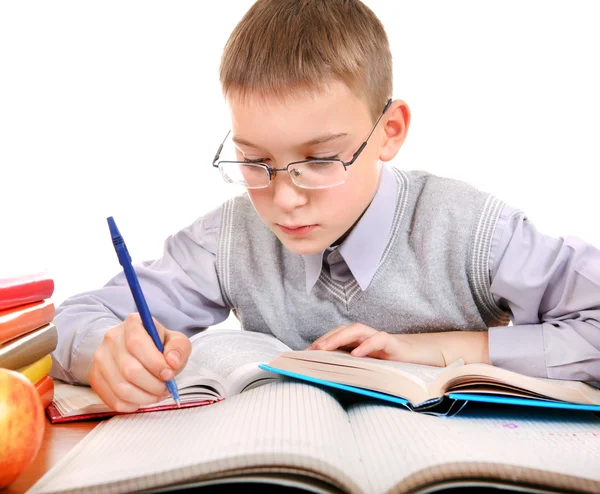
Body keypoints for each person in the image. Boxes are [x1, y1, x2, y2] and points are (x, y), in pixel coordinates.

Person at [51, 0, 600, 412]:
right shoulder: (229, 239)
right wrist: (110, 350)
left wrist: (438, 348)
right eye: (255, 161)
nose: (285, 200)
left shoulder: (472, 230)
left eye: (319, 160)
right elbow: (75, 320)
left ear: (389, 132)